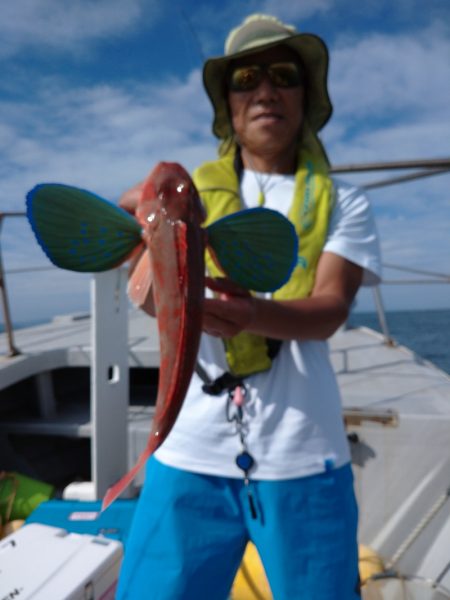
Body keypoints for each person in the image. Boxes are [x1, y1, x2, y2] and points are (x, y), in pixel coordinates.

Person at [116, 13, 381, 600]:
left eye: (283, 75)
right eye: (246, 79)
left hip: (303, 451)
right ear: (229, 105)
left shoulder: (346, 202)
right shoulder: (187, 194)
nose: (265, 90)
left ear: (305, 98)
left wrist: (254, 314)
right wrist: (141, 235)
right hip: (186, 448)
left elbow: (331, 307)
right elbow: (150, 299)